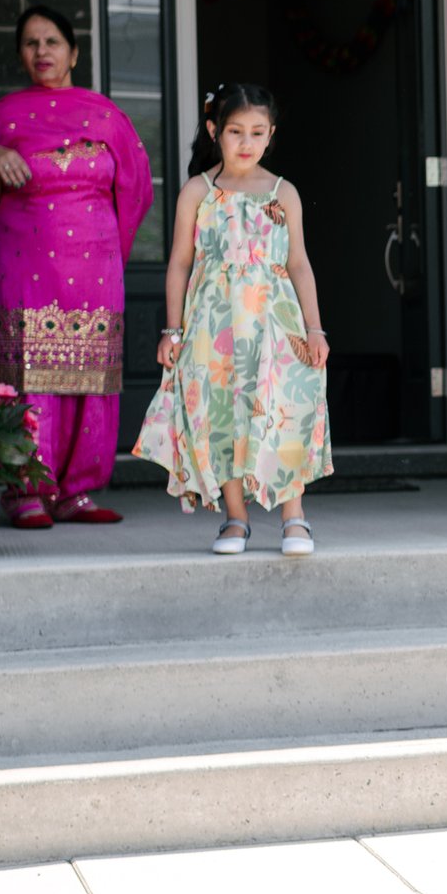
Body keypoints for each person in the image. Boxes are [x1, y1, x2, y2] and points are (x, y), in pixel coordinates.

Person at [0, 4, 154, 530]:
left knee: (88, 376)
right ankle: (25, 491)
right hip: (24, 263)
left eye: (51, 42)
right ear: (21, 54)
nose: (41, 52)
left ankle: (78, 492)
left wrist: (108, 248)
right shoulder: (4, 116)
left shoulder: (105, 114)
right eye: (30, 43)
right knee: (30, 375)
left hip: (95, 266)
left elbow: (135, 189)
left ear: (74, 52)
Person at [132, 83, 333, 557]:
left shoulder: (284, 193)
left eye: (257, 132)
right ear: (214, 131)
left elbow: (299, 263)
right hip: (213, 327)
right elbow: (180, 262)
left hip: (275, 325)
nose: (246, 142)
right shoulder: (198, 192)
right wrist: (172, 328)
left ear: (271, 136)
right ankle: (235, 518)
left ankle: (294, 516)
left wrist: (315, 327)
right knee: (220, 415)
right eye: (236, 131)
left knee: (283, 409)